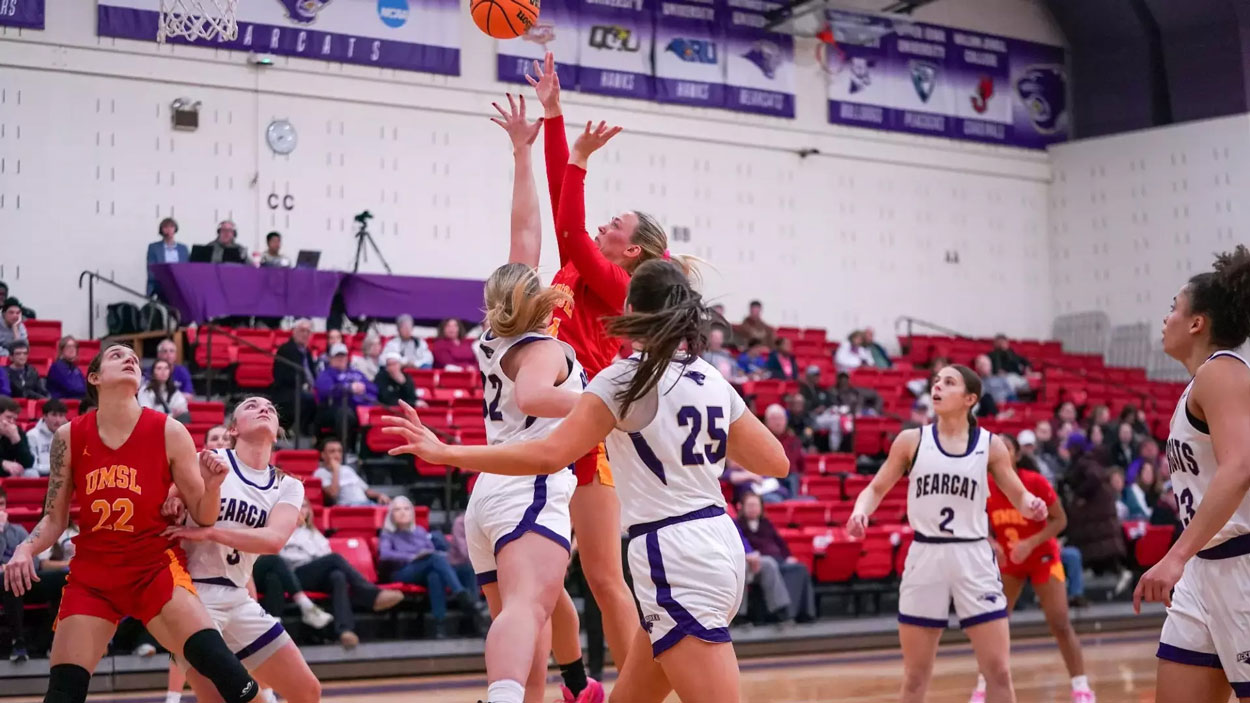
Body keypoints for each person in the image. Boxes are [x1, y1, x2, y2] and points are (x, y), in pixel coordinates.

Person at [381, 258, 790, 703]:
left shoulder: (622, 381)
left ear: (631, 307)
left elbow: (547, 454)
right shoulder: (711, 377)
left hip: (675, 555)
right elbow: (776, 462)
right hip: (721, 543)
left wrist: (446, 452)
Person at [1, 343, 263, 703]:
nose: (130, 359)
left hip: (153, 567)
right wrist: (25, 547)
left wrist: (213, 486)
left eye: (135, 359)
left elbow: (203, 515)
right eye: (117, 356)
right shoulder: (68, 437)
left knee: (232, 680)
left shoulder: (170, 431)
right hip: (93, 575)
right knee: (63, 694)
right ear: (94, 377)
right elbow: (54, 517)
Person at [527, 53, 675, 672]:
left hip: (586, 422)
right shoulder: (584, 262)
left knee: (604, 579)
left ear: (631, 246)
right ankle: (573, 679)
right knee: (535, 565)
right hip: (547, 415)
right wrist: (555, 115)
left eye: (614, 222)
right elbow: (566, 204)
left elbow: (567, 218)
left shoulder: (617, 283)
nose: (599, 222)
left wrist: (580, 157)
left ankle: (633, 682)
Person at [459, 99, 601, 703]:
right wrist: (601, 402)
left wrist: (521, 150)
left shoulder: (496, 336)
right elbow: (536, 396)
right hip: (530, 479)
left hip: (490, 491)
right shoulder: (541, 348)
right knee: (526, 610)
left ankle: (561, 689)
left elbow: (523, 231)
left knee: (532, 612)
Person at [848, 364, 1047, 703]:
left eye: (949, 382)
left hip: (972, 556)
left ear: (970, 398)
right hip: (926, 556)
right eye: (936, 381)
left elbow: (1019, 495)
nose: (937, 387)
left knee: (998, 671)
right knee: (914, 677)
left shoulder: (991, 445)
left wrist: (1033, 505)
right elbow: (876, 488)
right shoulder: (912, 440)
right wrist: (859, 511)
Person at [1133, 245, 1250, 703]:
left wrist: (1176, 556)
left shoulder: (1221, 373)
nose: (1167, 319)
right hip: (1204, 572)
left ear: (1197, 322)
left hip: (1240, 565)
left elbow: (1240, 466)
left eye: (1173, 309)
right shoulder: (1201, 382)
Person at [161, 396, 320, 703]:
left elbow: (274, 540)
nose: (264, 409)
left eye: (271, 408)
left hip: (237, 595)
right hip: (191, 598)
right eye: (252, 406)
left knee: (307, 690)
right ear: (233, 429)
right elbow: (168, 504)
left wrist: (209, 532)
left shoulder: (287, 485)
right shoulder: (206, 461)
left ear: (276, 431)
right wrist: (174, 501)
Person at [975, 435, 1094, 703]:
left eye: (1005, 449)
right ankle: (983, 687)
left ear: (1016, 455)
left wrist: (1031, 542)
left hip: (1042, 557)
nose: (999, 454)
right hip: (1011, 562)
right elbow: (976, 523)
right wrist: (991, 542)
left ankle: (1081, 687)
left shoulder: (1035, 482)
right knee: (994, 626)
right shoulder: (985, 486)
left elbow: (1060, 520)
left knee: (1060, 623)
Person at [280, 499, 404, 649]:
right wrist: (312, 556)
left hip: (315, 574)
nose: (301, 510)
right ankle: (371, 595)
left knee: (337, 576)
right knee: (335, 559)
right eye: (297, 506)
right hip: (293, 576)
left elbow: (324, 555)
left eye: (304, 507)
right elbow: (282, 558)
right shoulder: (281, 531)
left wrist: (312, 557)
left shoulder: (314, 534)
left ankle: (345, 630)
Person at [378, 497, 478, 639]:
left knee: (439, 574)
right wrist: (412, 556)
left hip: (425, 569)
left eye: (406, 509)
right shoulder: (388, 533)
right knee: (435, 559)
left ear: (412, 513)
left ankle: (440, 625)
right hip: (402, 572)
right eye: (397, 509)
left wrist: (425, 555)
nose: (402, 512)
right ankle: (462, 595)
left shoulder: (419, 531)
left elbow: (430, 549)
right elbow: (385, 555)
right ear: (391, 514)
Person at [735, 493, 815, 623]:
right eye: (750, 505)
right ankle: (780, 612)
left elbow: (780, 543)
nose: (753, 508)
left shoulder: (766, 523)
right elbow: (743, 545)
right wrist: (749, 555)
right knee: (769, 564)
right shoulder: (737, 524)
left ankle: (802, 613)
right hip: (755, 562)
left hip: (778, 559)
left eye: (756, 505)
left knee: (799, 569)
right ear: (742, 507)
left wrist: (788, 556)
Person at [313, 343, 376, 447]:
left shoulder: (356, 373)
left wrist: (363, 388)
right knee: (345, 414)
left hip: (360, 409)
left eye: (343, 355)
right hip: (333, 409)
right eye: (338, 356)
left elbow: (373, 389)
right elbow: (325, 391)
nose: (341, 358)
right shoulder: (326, 374)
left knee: (374, 414)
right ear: (330, 358)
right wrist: (349, 388)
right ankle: (344, 451)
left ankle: (366, 454)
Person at [314, 438, 389, 506]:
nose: (337, 455)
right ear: (323, 455)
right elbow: (333, 493)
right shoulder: (320, 472)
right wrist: (335, 470)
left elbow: (366, 490)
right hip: (347, 507)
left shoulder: (347, 469)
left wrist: (380, 495)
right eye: (332, 451)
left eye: (339, 451)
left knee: (398, 502)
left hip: (366, 504)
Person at [273, 320, 316, 435]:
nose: (305, 334)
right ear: (294, 332)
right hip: (289, 390)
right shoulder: (285, 350)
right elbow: (280, 376)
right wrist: (303, 384)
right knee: (309, 399)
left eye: (308, 331)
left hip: (307, 388)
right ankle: (301, 430)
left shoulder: (307, 352)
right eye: (302, 330)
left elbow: (312, 373)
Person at [763, 404, 804, 499]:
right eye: (774, 419)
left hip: (790, 475)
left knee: (793, 477)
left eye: (781, 419)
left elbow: (801, 464)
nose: (778, 423)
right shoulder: (761, 439)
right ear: (766, 421)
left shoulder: (793, 440)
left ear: (786, 421)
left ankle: (793, 502)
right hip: (769, 476)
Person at [147, 217, 190, 298]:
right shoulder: (154, 247)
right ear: (161, 230)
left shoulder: (183, 248)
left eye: (171, 227)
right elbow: (151, 269)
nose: (169, 229)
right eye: (165, 227)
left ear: (175, 229)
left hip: (179, 287)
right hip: (162, 287)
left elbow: (187, 269)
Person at [139, 359, 192, 423]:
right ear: (153, 372)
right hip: (154, 424)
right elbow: (147, 414)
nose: (163, 371)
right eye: (159, 368)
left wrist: (175, 414)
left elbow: (181, 407)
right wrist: (171, 415)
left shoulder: (174, 390)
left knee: (185, 416)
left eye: (166, 368)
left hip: (172, 424)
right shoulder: (145, 390)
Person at [27, 399, 69, 477]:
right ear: (44, 416)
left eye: (61, 415)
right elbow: (32, 466)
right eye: (54, 415)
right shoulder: (32, 435)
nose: (58, 420)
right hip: (40, 477)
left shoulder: (68, 434)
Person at [0, 396, 34, 477]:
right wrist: (2, 463)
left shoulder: (17, 432)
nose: (11, 422)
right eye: (8, 417)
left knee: (31, 473)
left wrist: (16, 440)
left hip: (9, 477)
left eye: (14, 419)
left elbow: (28, 463)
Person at [47, 336, 87, 400]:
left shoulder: (76, 369)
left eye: (74, 346)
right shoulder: (57, 367)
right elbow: (71, 388)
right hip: (62, 404)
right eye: (68, 347)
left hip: (77, 401)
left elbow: (84, 387)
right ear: (62, 350)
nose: (72, 349)